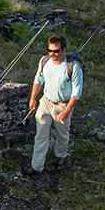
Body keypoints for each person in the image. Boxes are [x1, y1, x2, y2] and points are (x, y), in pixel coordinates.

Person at [27, 34, 83, 174]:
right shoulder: (45, 61)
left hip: (63, 105)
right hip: (46, 102)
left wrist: (67, 110)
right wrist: (33, 97)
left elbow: (77, 91)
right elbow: (38, 80)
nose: (52, 54)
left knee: (62, 134)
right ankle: (36, 167)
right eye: (50, 50)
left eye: (56, 51)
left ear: (64, 50)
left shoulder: (74, 67)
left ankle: (60, 155)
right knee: (40, 134)